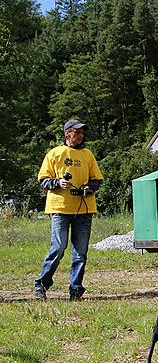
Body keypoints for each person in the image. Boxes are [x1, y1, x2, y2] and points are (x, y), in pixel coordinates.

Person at [33, 119, 104, 300]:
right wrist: (58, 182)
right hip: (60, 208)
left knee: (80, 254)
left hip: (84, 209)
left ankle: (75, 290)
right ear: (67, 133)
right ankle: (41, 285)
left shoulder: (88, 154)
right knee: (58, 248)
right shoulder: (55, 153)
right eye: (77, 132)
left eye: (82, 132)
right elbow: (43, 180)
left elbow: (97, 180)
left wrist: (90, 188)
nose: (80, 135)